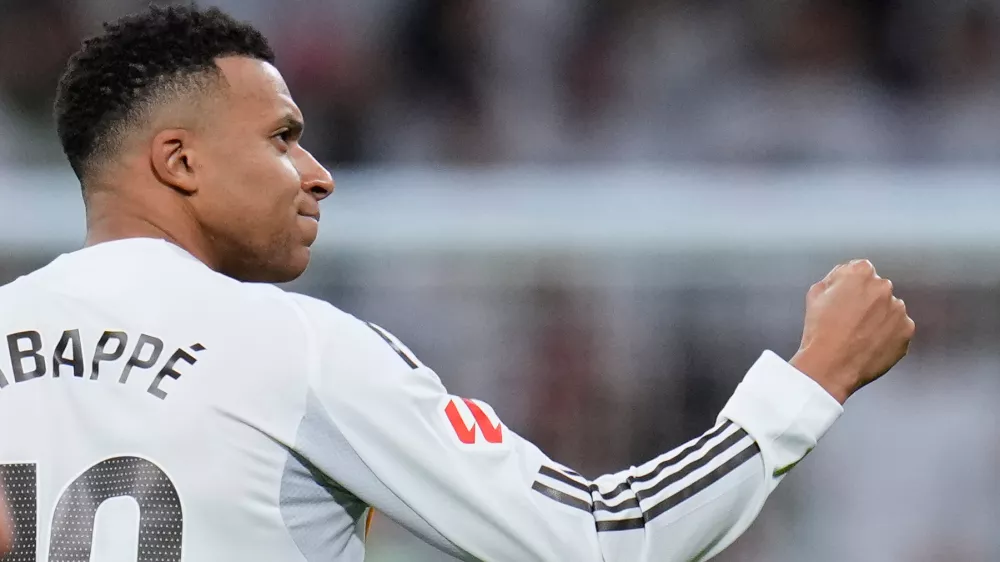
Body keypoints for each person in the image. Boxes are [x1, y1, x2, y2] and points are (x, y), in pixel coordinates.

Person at [0, 5, 914, 561]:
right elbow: (602, 539)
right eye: (281, 138)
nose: (316, 172)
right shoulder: (293, 350)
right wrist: (811, 379)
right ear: (179, 160)